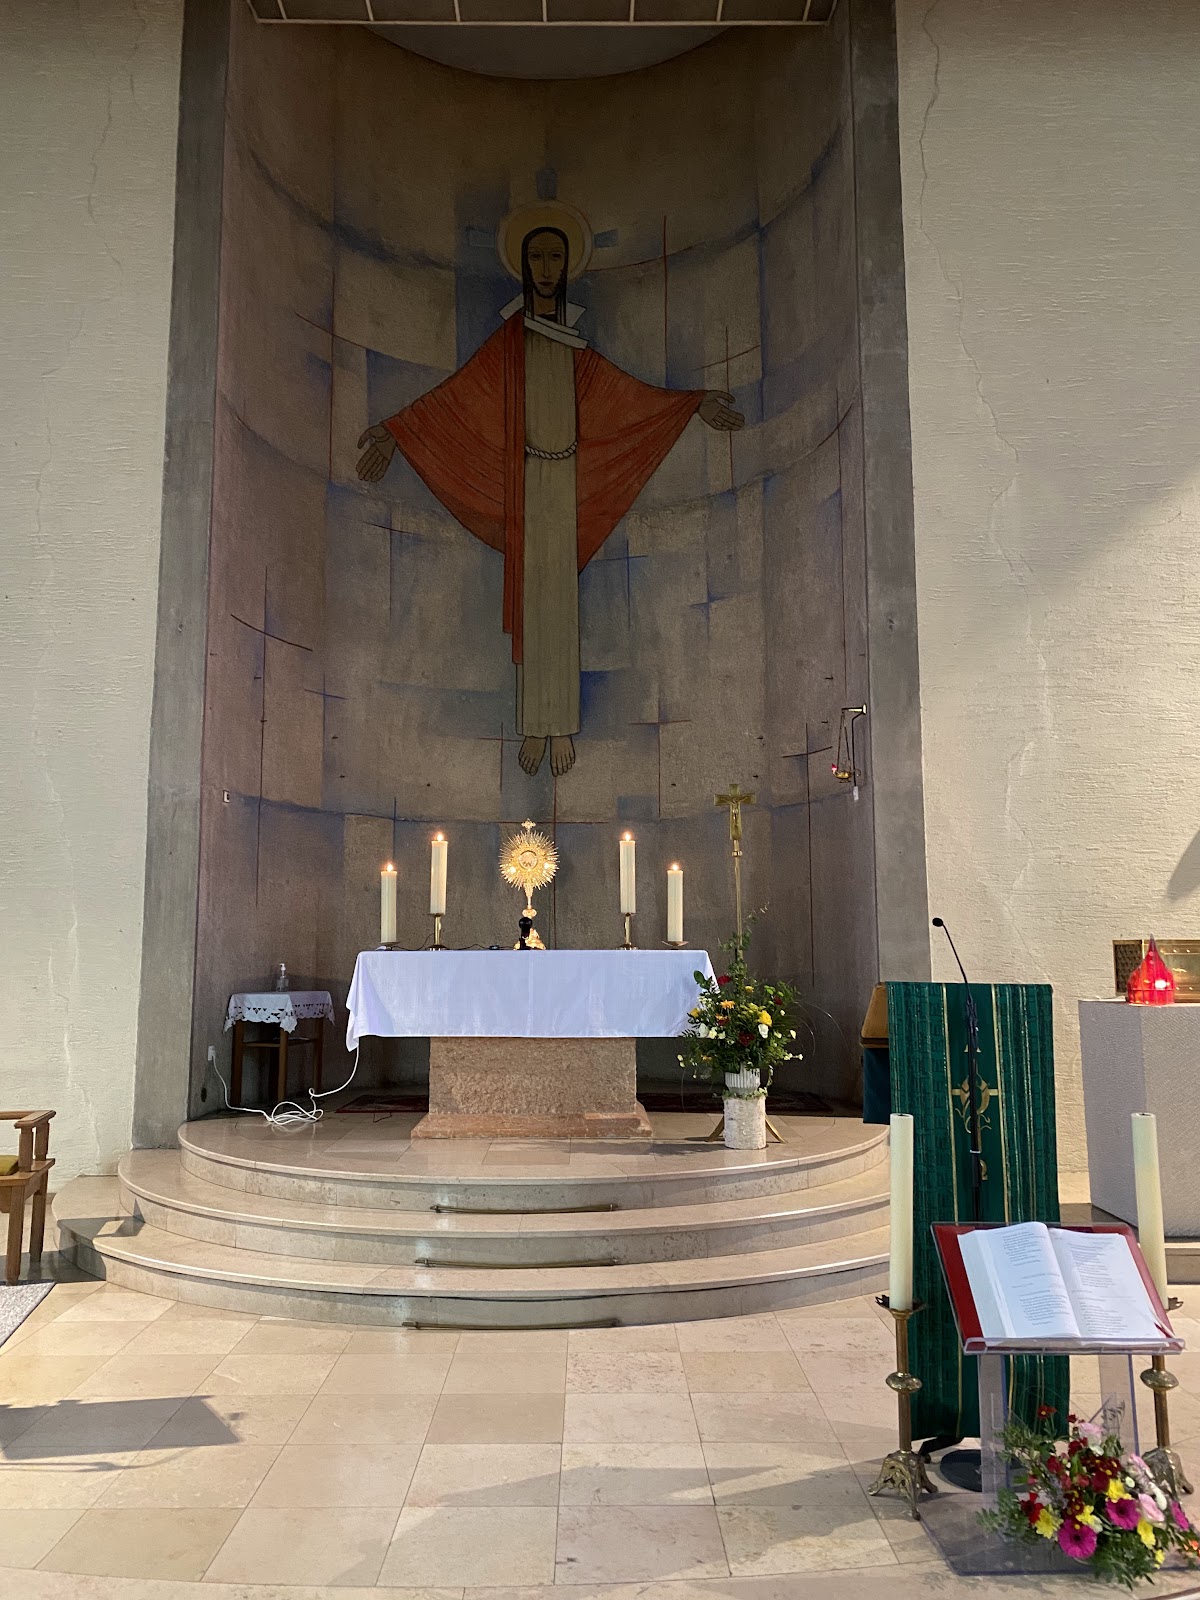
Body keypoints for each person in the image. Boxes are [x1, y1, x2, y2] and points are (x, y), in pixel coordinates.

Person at [357, 202, 743, 777]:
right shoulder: (510, 339)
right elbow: (459, 397)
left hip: (565, 483)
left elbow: (624, 398)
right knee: (536, 605)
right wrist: (397, 432)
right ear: (522, 264)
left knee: (559, 608)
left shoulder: (573, 342)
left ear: (566, 266)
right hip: (527, 483)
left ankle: (558, 725)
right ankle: (535, 726)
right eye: (535, 256)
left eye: (554, 257)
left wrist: (691, 405)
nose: (544, 267)